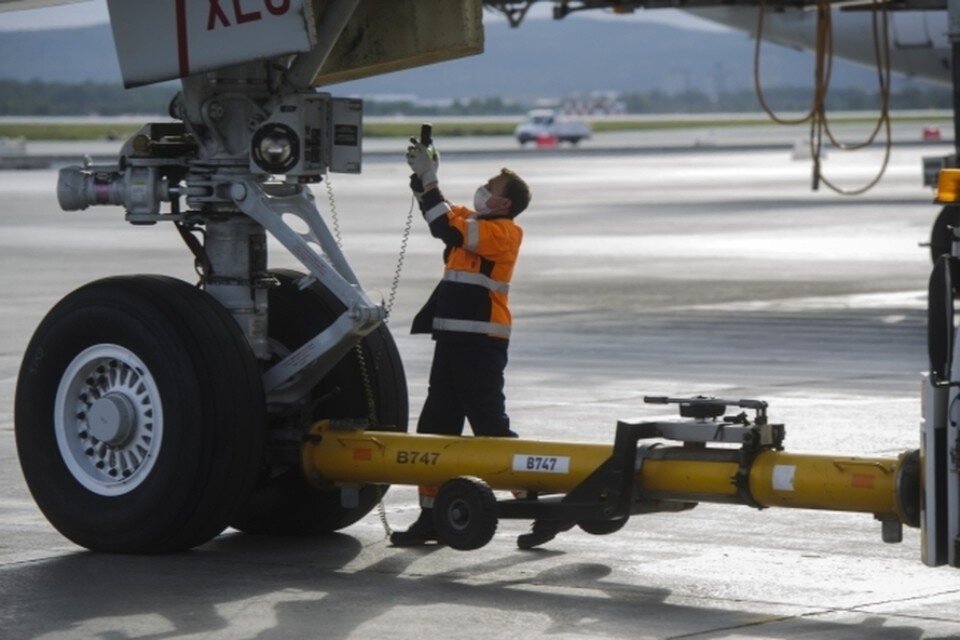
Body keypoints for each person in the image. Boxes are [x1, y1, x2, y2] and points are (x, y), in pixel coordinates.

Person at [390, 138, 540, 547]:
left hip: (480, 343)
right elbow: (440, 213)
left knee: (490, 427)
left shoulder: (503, 233)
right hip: (454, 340)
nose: (483, 191)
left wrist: (429, 177)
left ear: (504, 204)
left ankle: (538, 506)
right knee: (435, 429)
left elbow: (445, 226)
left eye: (490, 188)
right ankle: (430, 518)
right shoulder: (476, 223)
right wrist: (424, 181)